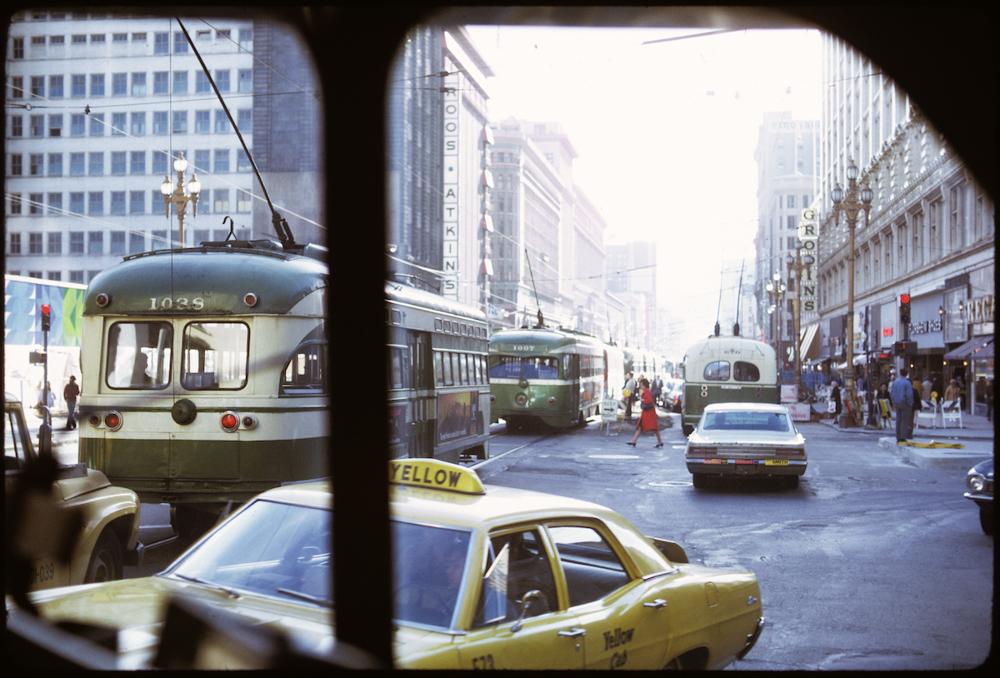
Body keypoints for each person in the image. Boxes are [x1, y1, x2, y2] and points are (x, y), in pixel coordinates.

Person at [627, 378, 663, 448]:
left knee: (653, 428)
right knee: (644, 427)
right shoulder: (647, 391)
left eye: (641, 385)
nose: (640, 386)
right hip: (648, 413)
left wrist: (642, 399)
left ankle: (659, 441)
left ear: (644, 385)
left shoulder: (646, 392)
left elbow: (648, 401)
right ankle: (633, 441)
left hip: (648, 413)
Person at [890, 367, 915, 442]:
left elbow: (892, 393)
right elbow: (909, 394)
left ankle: (898, 435)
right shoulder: (907, 383)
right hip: (904, 402)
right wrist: (910, 403)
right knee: (904, 420)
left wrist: (894, 401)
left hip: (897, 402)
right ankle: (903, 436)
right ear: (907, 374)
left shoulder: (895, 382)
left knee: (898, 419)